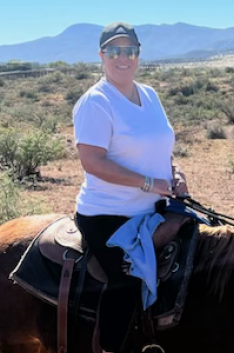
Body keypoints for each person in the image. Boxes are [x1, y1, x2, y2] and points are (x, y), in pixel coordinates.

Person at [73, 22, 188, 353]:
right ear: (101, 55)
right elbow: (93, 162)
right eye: (114, 51)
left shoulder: (149, 94)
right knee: (124, 284)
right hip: (108, 215)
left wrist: (175, 172)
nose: (123, 58)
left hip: (153, 208)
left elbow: (161, 150)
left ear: (139, 55)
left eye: (130, 50)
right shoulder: (95, 102)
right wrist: (151, 183)